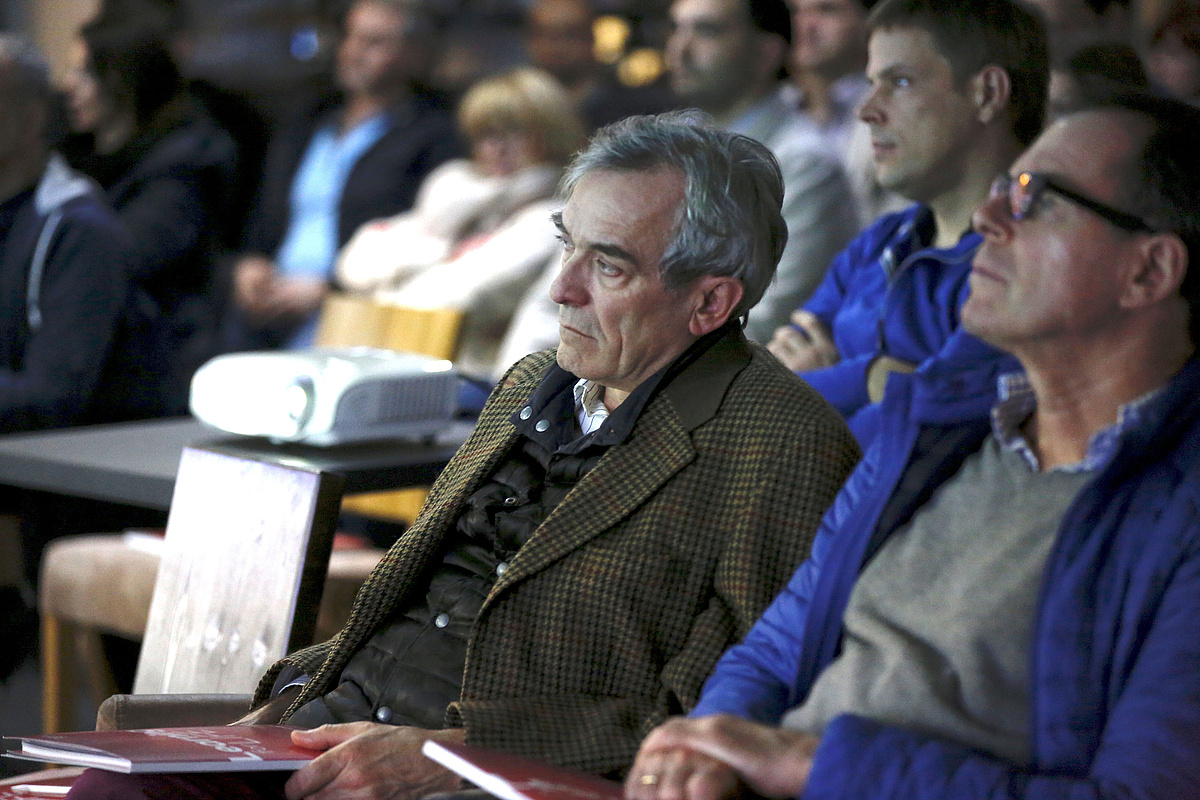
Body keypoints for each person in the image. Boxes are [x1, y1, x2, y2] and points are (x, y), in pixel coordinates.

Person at [67, 112, 861, 800]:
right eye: (568, 246)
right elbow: (410, 605)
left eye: (608, 264)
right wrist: (278, 711)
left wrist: (448, 756)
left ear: (711, 301)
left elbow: (707, 725)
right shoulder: (533, 382)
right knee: (108, 787)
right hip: (322, 737)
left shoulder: (785, 447)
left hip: (480, 779)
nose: (561, 288)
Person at [626, 91, 1200, 800]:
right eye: (1003, 188)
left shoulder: (1180, 510)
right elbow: (774, 651)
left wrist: (806, 765)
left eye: (1037, 199)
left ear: (1148, 272)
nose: (987, 218)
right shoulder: (939, 429)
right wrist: (708, 751)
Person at [767, 0, 1048, 447]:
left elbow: (942, 426)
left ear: (988, 93)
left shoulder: (1031, 257)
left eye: (899, 82)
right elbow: (767, 383)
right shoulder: (879, 242)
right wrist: (871, 376)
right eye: (870, 84)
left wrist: (829, 383)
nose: (866, 111)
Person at [230, 0, 461, 351]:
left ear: (415, 54)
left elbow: (427, 239)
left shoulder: (435, 136)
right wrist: (248, 263)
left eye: (374, 42)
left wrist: (332, 290)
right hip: (270, 311)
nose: (353, 52)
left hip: (361, 318)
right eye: (350, 37)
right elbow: (263, 213)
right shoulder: (308, 122)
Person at [335, 67, 587, 378]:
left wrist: (390, 286)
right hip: (406, 365)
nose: (497, 148)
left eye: (513, 133)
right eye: (485, 135)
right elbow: (353, 263)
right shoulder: (457, 196)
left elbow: (456, 298)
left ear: (550, 135)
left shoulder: (555, 219)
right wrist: (438, 254)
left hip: (471, 381)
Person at [62, 11, 238, 414]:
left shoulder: (187, 161)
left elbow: (121, 257)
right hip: (98, 354)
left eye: (86, 73)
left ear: (125, 78)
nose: (69, 85)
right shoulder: (73, 157)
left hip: (154, 365)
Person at [665, 0, 856, 342]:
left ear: (766, 53)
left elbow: (767, 319)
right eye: (677, 28)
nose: (680, 49)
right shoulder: (672, 144)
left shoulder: (804, 165)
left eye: (707, 31)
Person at [525, 0, 672, 132]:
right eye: (543, 34)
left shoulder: (637, 111)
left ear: (592, 37)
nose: (556, 46)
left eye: (570, 34)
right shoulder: (522, 111)